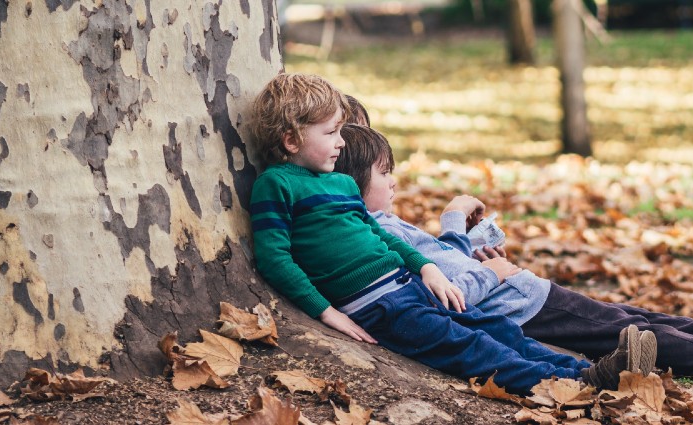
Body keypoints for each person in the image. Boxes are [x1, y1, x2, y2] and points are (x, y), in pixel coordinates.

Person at [333, 118, 693, 383]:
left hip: (526, 293)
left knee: (634, 316)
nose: (395, 182)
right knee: (635, 335)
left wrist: (475, 246)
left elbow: (448, 267)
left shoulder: (379, 222)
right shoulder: (376, 232)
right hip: (522, 308)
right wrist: (471, 246)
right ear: (354, 181)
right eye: (385, 173)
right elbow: (453, 290)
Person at [245, 73, 657, 393]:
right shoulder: (277, 185)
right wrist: (325, 312)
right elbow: (275, 259)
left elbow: (381, 237)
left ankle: (592, 371)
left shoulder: (340, 183)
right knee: (471, 348)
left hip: (409, 285)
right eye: (331, 132)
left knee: (496, 330)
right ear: (291, 138)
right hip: (380, 307)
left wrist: (427, 269)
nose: (341, 143)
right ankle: (571, 386)